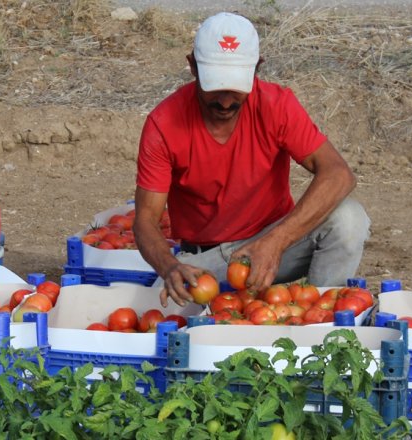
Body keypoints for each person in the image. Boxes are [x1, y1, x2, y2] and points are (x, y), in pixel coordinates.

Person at [133, 12, 370, 307]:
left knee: (349, 219)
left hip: (274, 242)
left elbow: (338, 174)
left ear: (257, 69)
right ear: (193, 66)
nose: (225, 101)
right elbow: (145, 220)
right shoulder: (164, 123)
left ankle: (320, 318)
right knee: (159, 311)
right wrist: (169, 267)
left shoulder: (276, 105)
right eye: (215, 86)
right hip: (206, 262)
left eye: (235, 87)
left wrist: (275, 242)